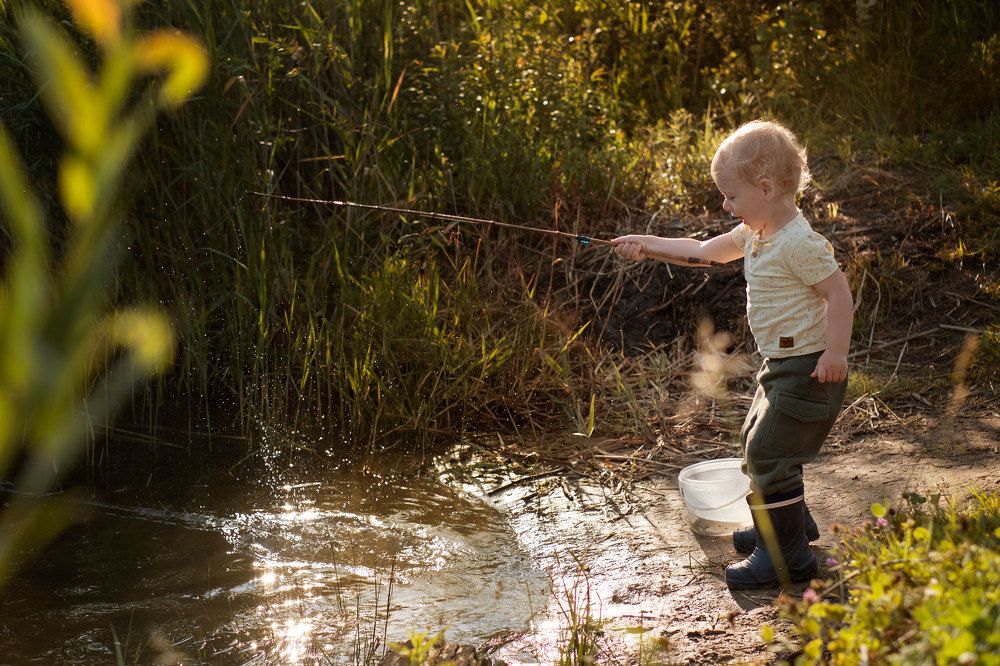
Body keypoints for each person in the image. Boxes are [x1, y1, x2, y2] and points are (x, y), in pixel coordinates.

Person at [611, 119, 853, 589]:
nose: (725, 205)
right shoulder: (755, 234)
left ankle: (786, 557)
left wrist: (836, 352)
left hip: (809, 367)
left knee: (768, 451)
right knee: (756, 440)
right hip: (781, 365)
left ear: (765, 188)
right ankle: (787, 528)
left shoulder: (799, 243)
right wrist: (647, 246)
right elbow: (701, 251)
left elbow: (839, 294)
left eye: (730, 195)